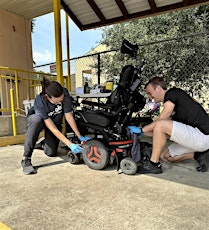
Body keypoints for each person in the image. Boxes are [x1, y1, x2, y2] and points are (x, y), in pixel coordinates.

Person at [128, 77, 209, 174]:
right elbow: (162, 133)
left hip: (202, 135)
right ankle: (199, 154)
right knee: (166, 157)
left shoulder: (171, 93)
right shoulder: (176, 107)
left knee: (160, 124)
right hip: (195, 137)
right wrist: (143, 133)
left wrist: (142, 129)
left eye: (150, 93)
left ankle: (153, 164)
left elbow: (160, 122)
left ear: (158, 88)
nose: (149, 97)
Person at [21, 78, 90, 175]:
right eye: (57, 102)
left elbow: (69, 116)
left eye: (61, 100)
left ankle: (43, 143)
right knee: (37, 120)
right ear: (48, 97)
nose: (60, 103)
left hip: (55, 123)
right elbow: (52, 127)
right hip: (38, 121)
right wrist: (70, 144)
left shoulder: (64, 93)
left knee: (51, 152)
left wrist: (79, 136)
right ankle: (26, 159)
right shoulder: (40, 102)